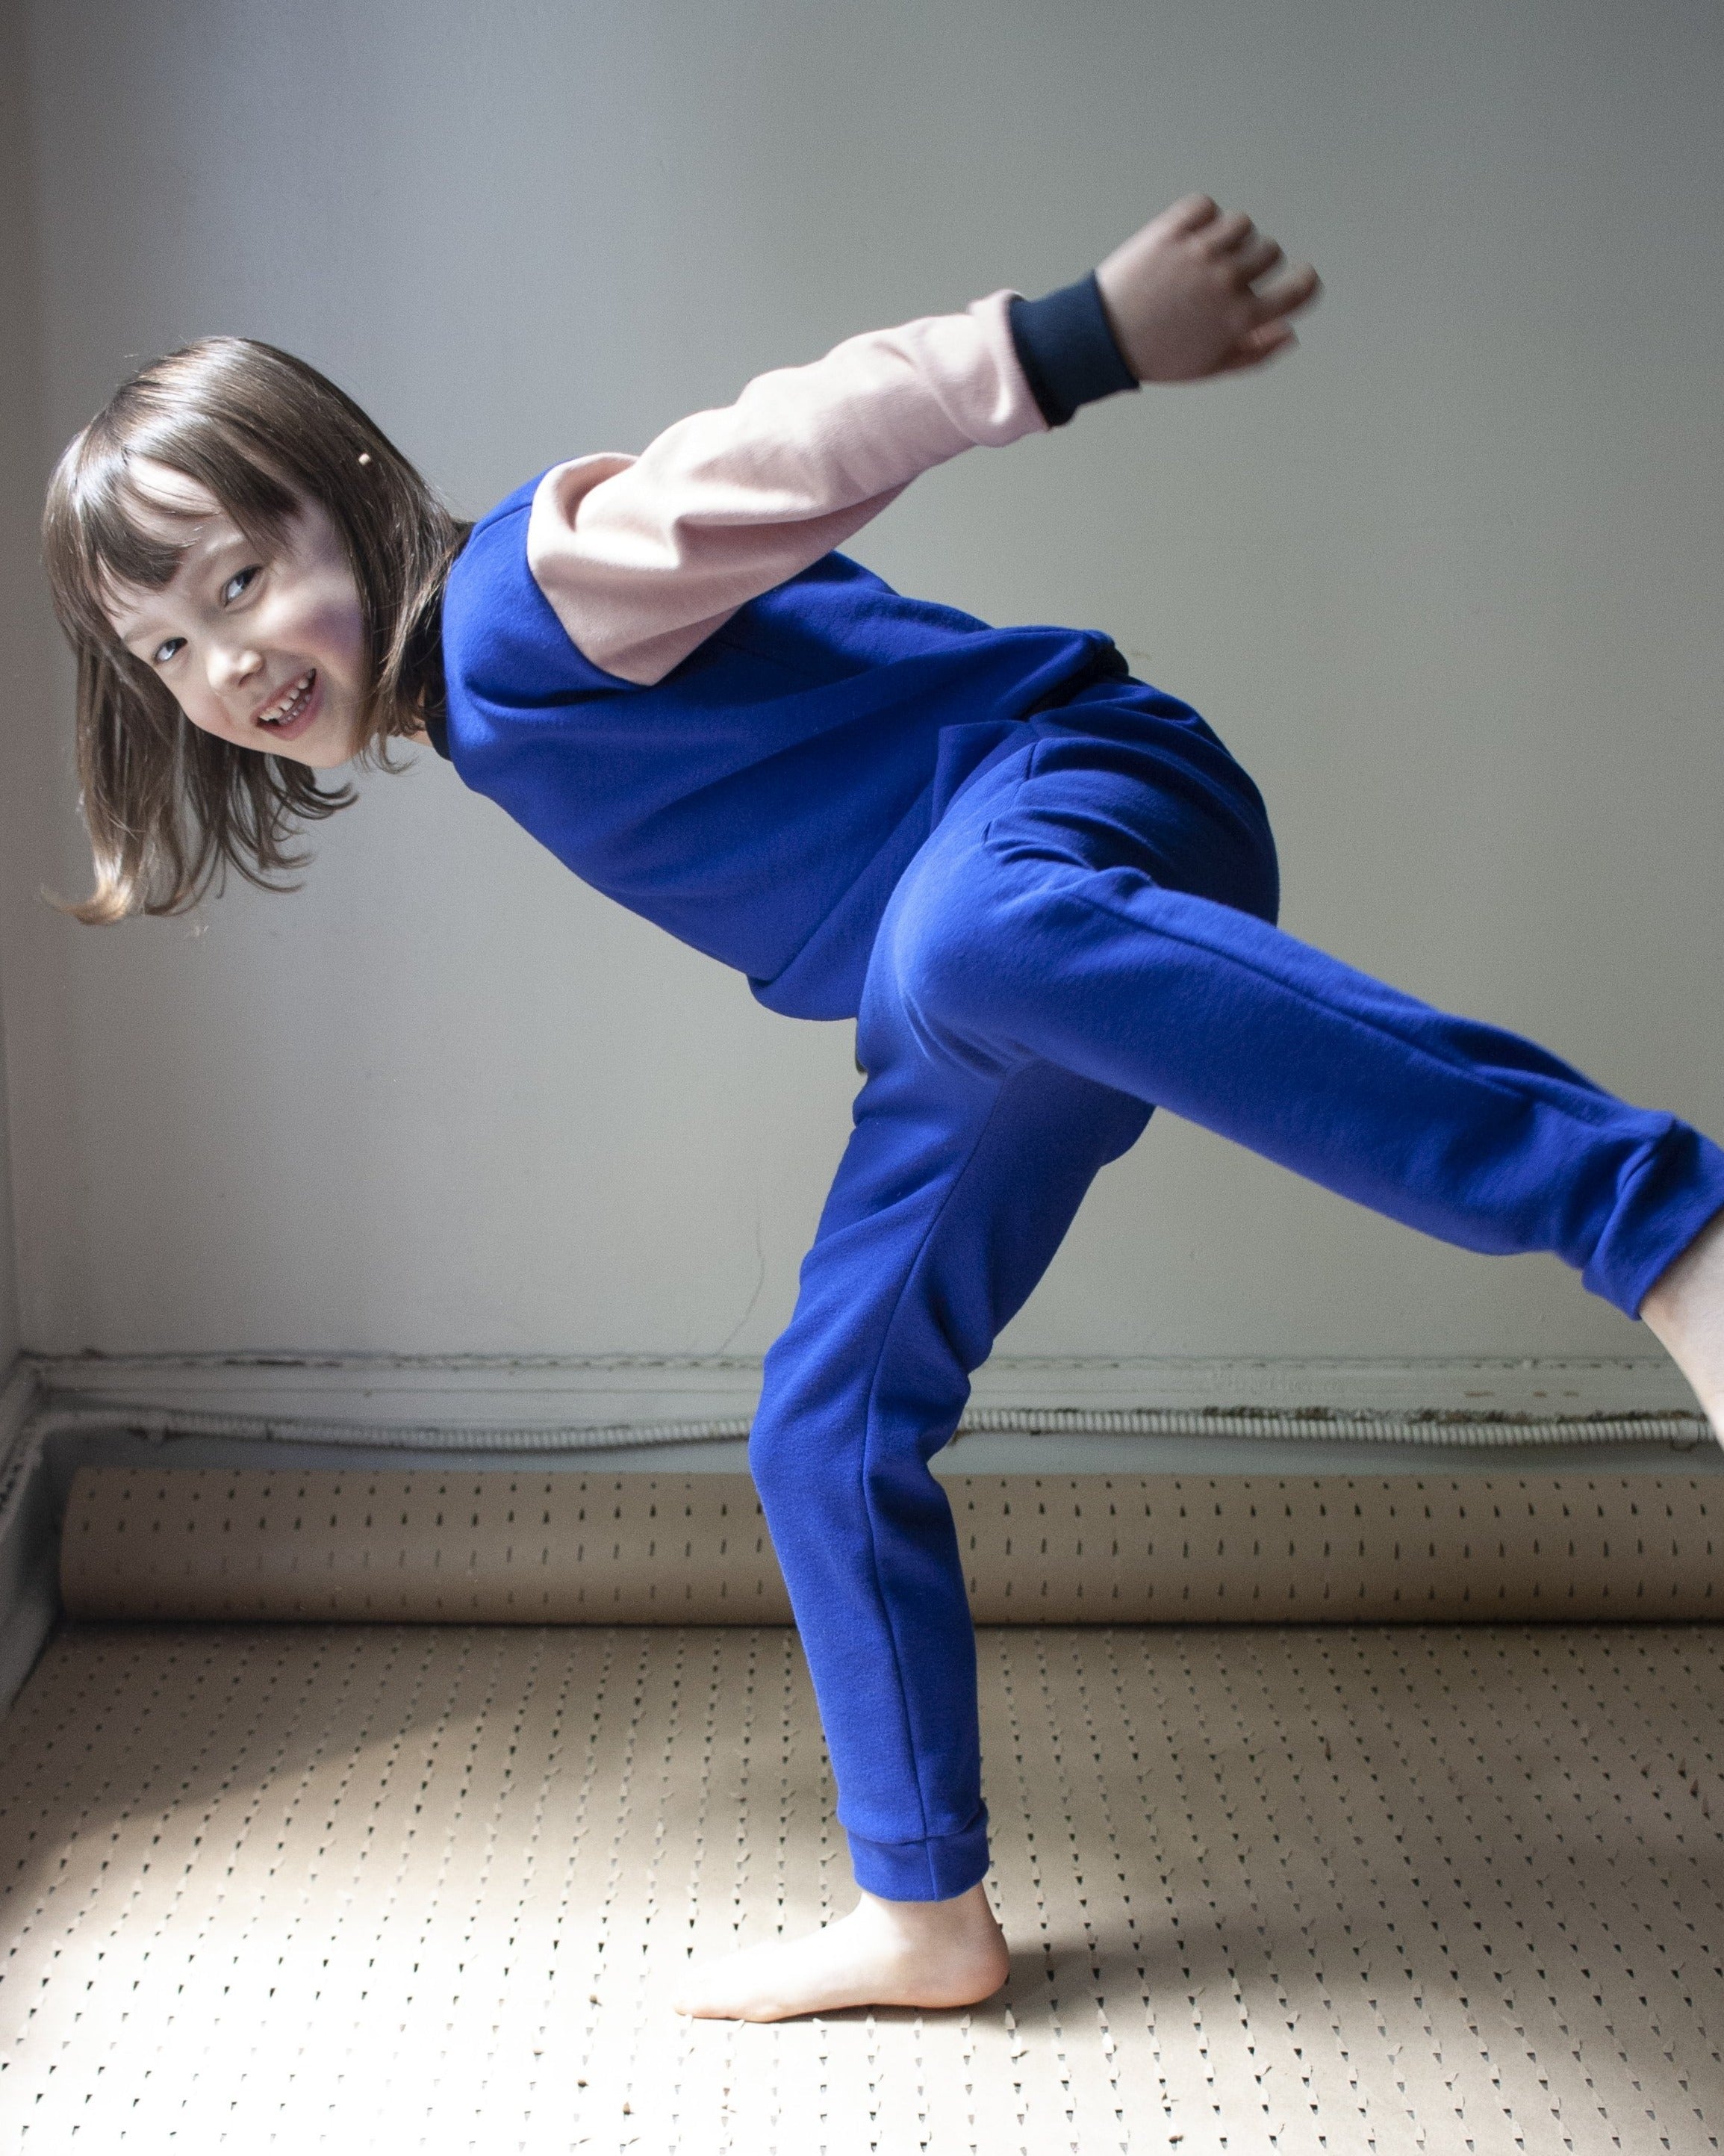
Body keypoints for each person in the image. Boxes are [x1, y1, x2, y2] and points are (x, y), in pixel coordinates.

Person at [40, 196, 1724, 2024]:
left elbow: (804, 435)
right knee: (823, 1421)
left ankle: (1663, 1221)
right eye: (168, 652)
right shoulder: (480, 707)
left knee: (975, 934)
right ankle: (924, 1909)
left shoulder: (538, 585)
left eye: (238, 583)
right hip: (967, 988)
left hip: (1073, 806)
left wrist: (1081, 335)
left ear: (351, 491)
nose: (225, 667)